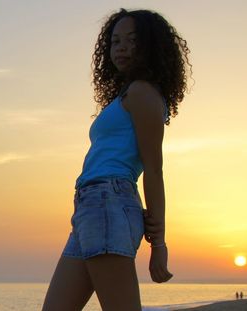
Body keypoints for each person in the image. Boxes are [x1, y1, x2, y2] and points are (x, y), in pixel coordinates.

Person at [42, 7, 191, 311]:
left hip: (109, 202)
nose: (121, 47)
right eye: (115, 41)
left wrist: (159, 243)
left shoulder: (143, 93)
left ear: (150, 46)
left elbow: (154, 169)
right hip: (90, 206)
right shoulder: (126, 95)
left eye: (132, 40)